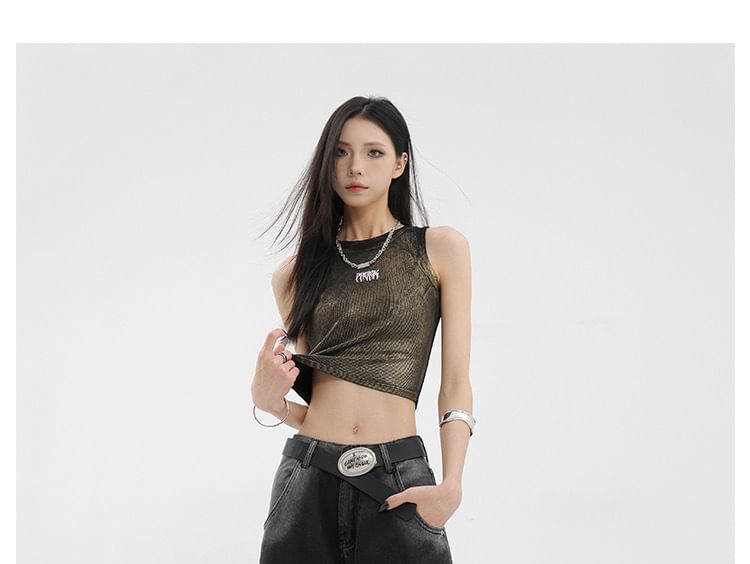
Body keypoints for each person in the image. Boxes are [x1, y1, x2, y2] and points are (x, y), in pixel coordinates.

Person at [251, 95, 474, 563]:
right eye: (341, 152)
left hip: (397, 482)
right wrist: (270, 403)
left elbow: (455, 383)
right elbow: (321, 404)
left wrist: (451, 485)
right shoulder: (295, 274)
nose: (356, 166)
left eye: (374, 152)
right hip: (307, 478)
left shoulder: (439, 249)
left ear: (399, 164)